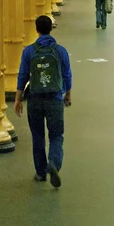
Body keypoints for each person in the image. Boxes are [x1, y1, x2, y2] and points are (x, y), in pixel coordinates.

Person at [15, 15, 72, 188]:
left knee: (38, 136)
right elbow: (67, 75)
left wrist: (18, 99)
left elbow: (22, 76)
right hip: (54, 98)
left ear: (36, 29)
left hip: (35, 99)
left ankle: (40, 173)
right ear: (51, 29)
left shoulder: (29, 51)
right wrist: (68, 94)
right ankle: (54, 163)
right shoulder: (60, 51)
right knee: (56, 135)